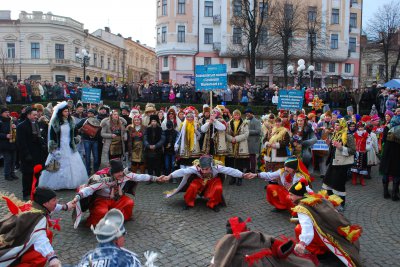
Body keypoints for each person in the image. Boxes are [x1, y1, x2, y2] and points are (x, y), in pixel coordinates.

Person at [289, 180, 362, 267]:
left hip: (324, 232)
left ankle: (320, 253)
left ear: (298, 195)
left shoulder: (302, 208)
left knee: (298, 229)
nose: (289, 197)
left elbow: (307, 228)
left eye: (291, 195)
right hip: (332, 228)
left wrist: (302, 243)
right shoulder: (312, 197)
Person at [72, 159, 161, 228]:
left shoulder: (125, 175)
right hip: (102, 199)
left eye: (121, 171)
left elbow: (140, 177)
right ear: (112, 172)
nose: (120, 174)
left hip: (117, 198)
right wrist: (78, 196)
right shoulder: (102, 179)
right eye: (117, 172)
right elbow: (89, 189)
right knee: (101, 212)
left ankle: (120, 218)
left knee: (129, 203)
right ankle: (96, 223)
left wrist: (156, 178)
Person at [0, 187, 76, 267]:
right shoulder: (38, 218)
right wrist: (52, 258)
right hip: (15, 244)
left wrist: (66, 206)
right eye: (54, 200)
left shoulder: (32, 205)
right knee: (36, 258)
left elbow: (52, 206)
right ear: (45, 203)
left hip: (19, 236)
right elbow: (40, 239)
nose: (56, 201)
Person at [209, 216, 316, 267]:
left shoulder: (227, 241)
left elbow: (219, 259)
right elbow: (273, 242)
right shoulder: (255, 234)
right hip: (266, 262)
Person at [161, 155, 245, 212]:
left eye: (206, 169)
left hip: (212, 182)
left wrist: (243, 175)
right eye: (202, 169)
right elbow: (183, 171)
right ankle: (189, 203)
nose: (204, 171)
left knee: (218, 187)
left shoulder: (217, 167)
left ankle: (213, 204)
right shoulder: (196, 168)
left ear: (211, 166)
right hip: (200, 181)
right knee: (193, 186)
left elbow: (230, 170)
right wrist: (170, 176)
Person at [39, 101, 88, 190]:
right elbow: (52, 136)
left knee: (72, 165)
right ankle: (55, 183)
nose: (67, 113)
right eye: (65, 111)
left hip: (70, 146)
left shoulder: (71, 120)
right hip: (59, 146)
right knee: (56, 164)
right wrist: (53, 149)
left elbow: (76, 132)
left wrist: (76, 139)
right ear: (61, 112)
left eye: (68, 111)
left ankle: (72, 183)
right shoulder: (55, 121)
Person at [77, 209, 144, 267]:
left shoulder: (86, 258)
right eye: (123, 234)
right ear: (117, 240)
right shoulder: (128, 259)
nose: (124, 237)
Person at [245, 157, 313, 213]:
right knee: (270, 187)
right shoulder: (282, 171)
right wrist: (256, 175)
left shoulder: (300, 176)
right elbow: (269, 175)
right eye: (285, 166)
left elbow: (307, 189)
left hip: (297, 197)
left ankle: (296, 212)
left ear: (294, 168)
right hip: (287, 192)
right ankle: (281, 207)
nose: (286, 168)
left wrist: (312, 197)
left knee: (289, 197)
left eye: (289, 167)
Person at [322, 119, 356, 212]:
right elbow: (334, 148)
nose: (335, 127)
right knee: (328, 182)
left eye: (337, 125)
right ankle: (331, 201)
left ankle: (342, 203)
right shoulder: (335, 134)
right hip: (333, 162)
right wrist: (329, 144)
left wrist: (341, 147)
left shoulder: (348, 136)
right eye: (335, 125)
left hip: (342, 164)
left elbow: (353, 150)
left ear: (342, 126)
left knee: (339, 184)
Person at [16, 107, 46, 200]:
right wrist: (26, 154)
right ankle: (26, 194)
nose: (36, 116)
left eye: (36, 115)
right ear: (28, 115)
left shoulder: (36, 124)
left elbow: (39, 137)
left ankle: (35, 191)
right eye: (34, 115)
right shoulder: (21, 126)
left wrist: (43, 144)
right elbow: (21, 143)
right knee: (27, 176)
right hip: (28, 155)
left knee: (37, 174)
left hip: (37, 155)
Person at [379, 111, 400, 200]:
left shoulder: (387, 127)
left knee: (386, 172)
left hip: (387, 152)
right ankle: (395, 194)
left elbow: (383, 140)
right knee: (397, 173)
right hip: (397, 153)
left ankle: (385, 192)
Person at [226, 109, 249, 186]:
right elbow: (226, 134)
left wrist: (236, 138)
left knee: (239, 164)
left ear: (240, 115)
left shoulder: (244, 123)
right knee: (232, 164)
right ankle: (232, 178)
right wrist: (231, 138)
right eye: (235, 115)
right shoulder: (229, 123)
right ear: (233, 115)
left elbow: (246, 134)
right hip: (231, 145)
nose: (236, 116)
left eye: (238, 115)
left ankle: (239, 179)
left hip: (240, 145)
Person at [144, 114, 165, 180]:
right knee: (149, 164)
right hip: (149, 149)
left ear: (157, 122)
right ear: (150, 122)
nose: (153, 122)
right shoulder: (147, 129)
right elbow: (145, 138)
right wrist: (148, 145)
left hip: (157, 150)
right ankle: (150, 179)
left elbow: (162, 139)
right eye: (152, 121)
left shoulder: (160, 129)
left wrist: (156, 146)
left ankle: (158, 178)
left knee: (157, 164)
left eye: (155, 121)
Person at [0, 107, 18, 181]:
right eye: (5, 112)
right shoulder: (0, 122)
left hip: (13, 143)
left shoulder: (11, 120)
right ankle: (7, 175)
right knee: (8, 160)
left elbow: (17, 130)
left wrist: (15, 127)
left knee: (13, 160)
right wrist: (5, 135)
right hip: (4, 144)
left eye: (8, 112)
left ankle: (12, 173)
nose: (8, 114)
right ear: (2, 114)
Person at [244, 108, 261, 173]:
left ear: (251, 114)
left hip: (254, 142)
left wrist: (247, 131)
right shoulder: (245, 120)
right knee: (247, 156)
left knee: (252, 156)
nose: (247, 115)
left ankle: (253, 170)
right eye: (246, 114)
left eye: (248, 114)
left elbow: (258, 131)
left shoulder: (257, 121)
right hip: (247, 141)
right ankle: (248, 169)